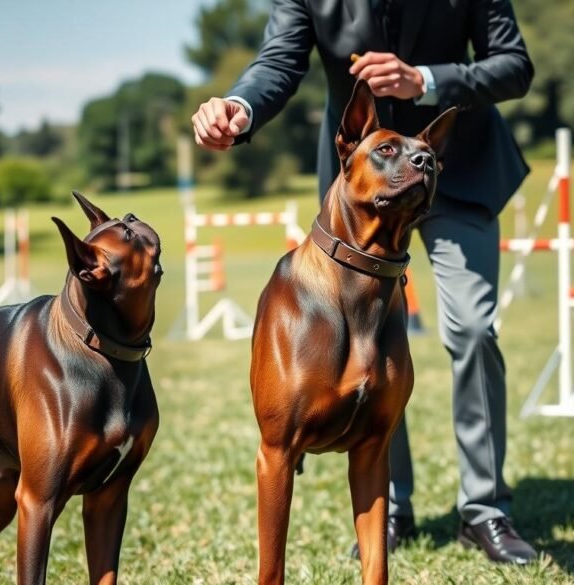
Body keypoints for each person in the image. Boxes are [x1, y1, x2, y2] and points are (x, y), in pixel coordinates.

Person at [191, 0, 537, 566]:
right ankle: (391, 506)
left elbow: (514, 64)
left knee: (473, 327)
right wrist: (238, 106)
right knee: (367, 348)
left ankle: (485, 510)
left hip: (452, 165)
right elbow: (279, 60)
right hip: (362, 183)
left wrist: (424, 79)